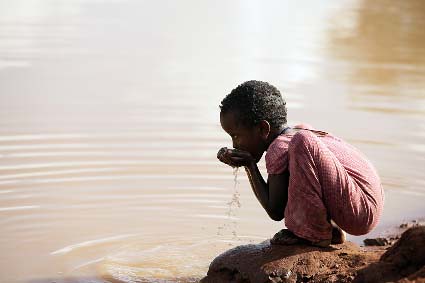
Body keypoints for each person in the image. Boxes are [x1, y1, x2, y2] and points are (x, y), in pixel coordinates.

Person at [217, 80, 384, 247]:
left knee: (302, 141)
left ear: (263, 129)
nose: (234, 145)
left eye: (236, 136)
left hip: (360, 211)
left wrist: (250, 165)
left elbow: (275, 210)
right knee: (302, 134)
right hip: (366, 205)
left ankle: (314, 234)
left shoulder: (282, 146)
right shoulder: (293, 136)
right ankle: (330, 230)